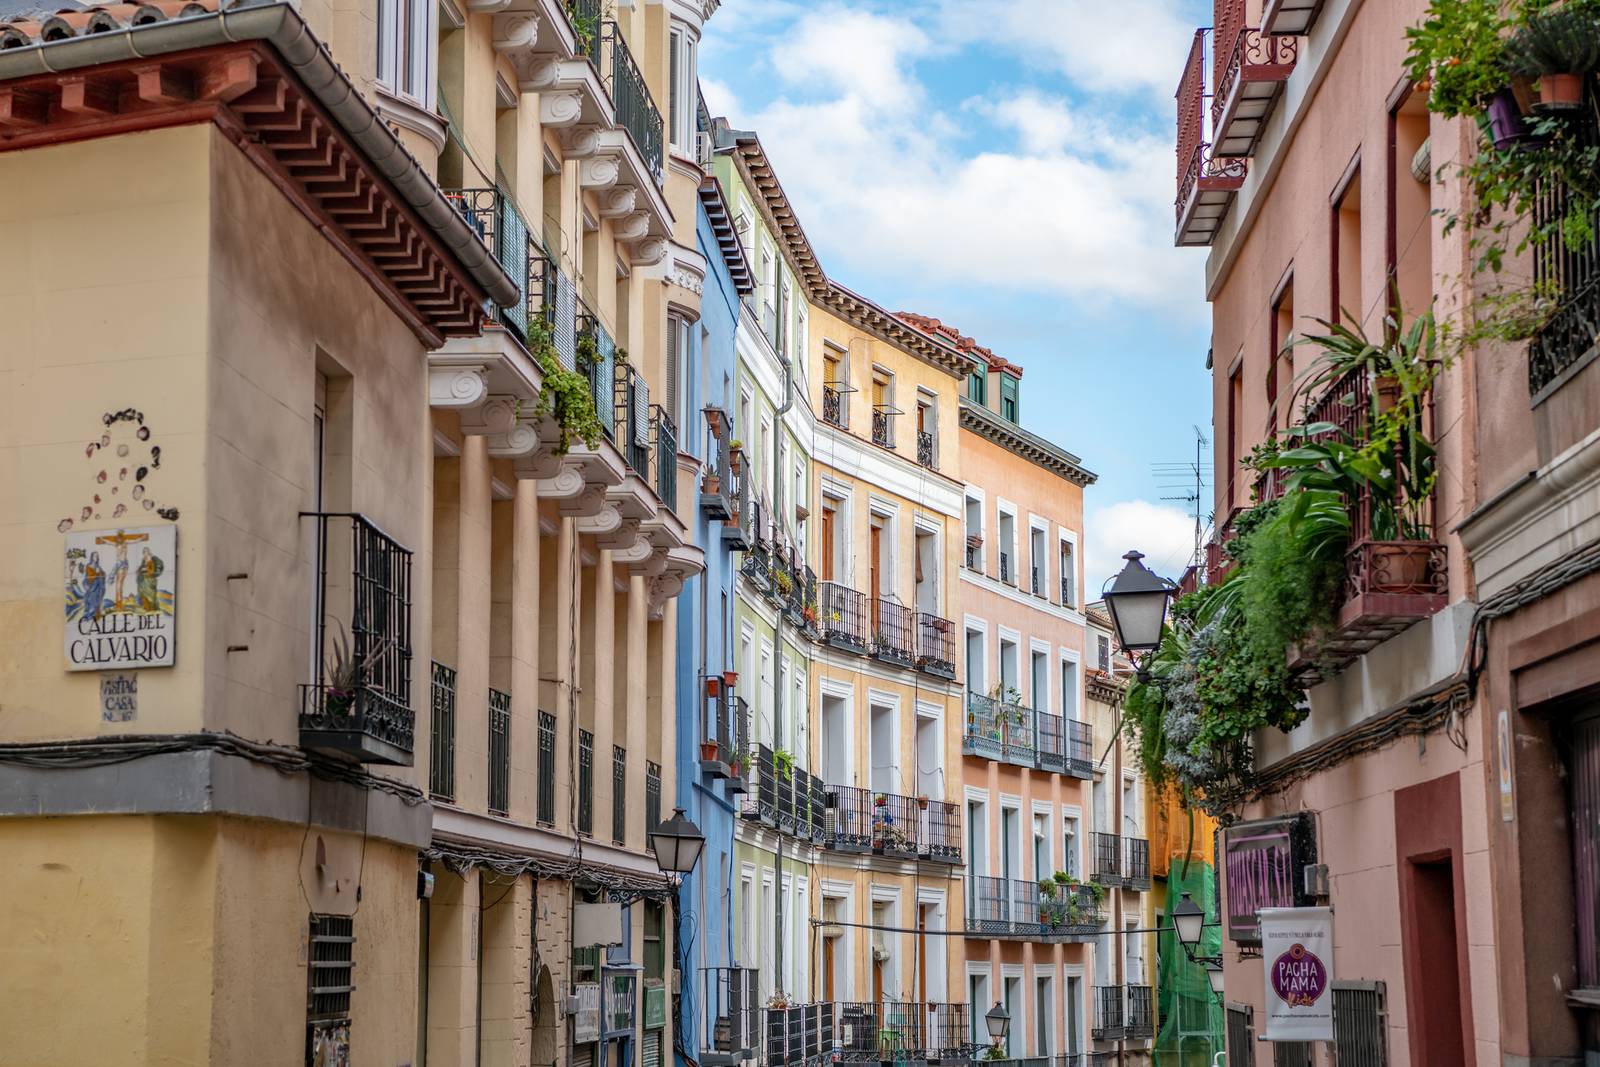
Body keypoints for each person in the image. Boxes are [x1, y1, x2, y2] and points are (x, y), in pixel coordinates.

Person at [137, 547, 164, 614]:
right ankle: (146, 608)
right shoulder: (144, 560)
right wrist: (140, 570)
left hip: (150, 580)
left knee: (151, 596)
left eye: (145, 552)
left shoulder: (152, 559)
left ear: (148, 552)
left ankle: (152, 609)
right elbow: (141, 568)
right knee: (143, 595)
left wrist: (146, 570)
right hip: (143, 581)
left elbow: (152, 570)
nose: (144, 554)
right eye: (144, 552)